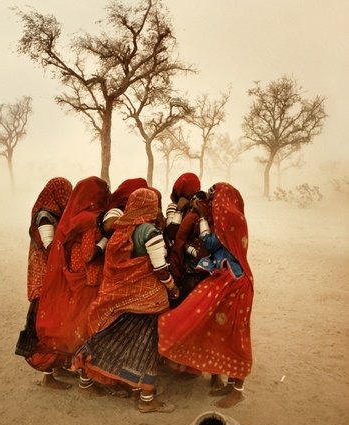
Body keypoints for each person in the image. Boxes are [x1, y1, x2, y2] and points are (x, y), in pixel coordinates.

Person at [73, 187, 179, 412]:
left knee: (107, 338)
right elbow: (160, 269)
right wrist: (172, 288)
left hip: (119, 298)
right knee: (147, 346)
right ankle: (146, 400)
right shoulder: (150, 233)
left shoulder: (120, 231)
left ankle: (85, 380)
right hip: (148, 302)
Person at [158, 182, 254, 408]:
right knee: (224, 331)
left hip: (233, 281)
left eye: (213, 197)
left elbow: (210, 243)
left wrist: (201, 217)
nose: (211, 202)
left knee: (234, 334)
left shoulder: (228, 218)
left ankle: (237, 390)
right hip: (232, 278)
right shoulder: (236, 217)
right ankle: (229, 384)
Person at [26, 176, 110, 389]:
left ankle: (59, 369)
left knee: (58, 322)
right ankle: (72, 377)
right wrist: (105, 241)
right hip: (64, 278)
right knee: (71, 325)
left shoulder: (69, 218)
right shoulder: (80, 219)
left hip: (61, 276)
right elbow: (83, 253)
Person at [14, 177, 73, 386]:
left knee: (54, 324)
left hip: (49, 277)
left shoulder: (50, 214)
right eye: (66, 192)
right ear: (57, 193)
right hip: (44, 280)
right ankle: (48, 376)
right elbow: (51, 249)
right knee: (45, 328)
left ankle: (56, 368)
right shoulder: (45, 217)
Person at [164, 172, 201, 247]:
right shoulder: (174, 206)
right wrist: (179, 211)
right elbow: (171, 234)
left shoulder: (198, 206)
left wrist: (178, 211)